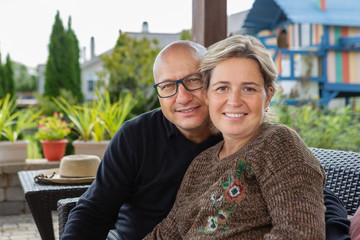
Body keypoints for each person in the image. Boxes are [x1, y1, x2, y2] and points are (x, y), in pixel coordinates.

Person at [62, 39, 350, 240]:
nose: (183, 96)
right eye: (167, 86)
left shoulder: (268, 141)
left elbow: (307, 201)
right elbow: (97, 210)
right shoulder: (157, 145)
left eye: (193, 80)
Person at [143, 35, 326, 239]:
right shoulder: (200, 164)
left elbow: (300, 233)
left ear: (268, 96)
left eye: (248, 89)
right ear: (207, 96)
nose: (234, 101)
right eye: (222, 88)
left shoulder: (278, 143)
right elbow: (166, 234)